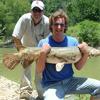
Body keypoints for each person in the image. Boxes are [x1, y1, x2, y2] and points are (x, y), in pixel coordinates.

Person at [35, 9, 100, 100]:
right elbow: (39, 70)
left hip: (70, 82)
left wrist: (85, 53)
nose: (58, 27)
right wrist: (42, 53)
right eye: (56, 24)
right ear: (51, 26)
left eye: (61, 25)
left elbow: (78, 67)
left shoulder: (73, 41)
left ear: (65, 26)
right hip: (51, 85)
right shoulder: (43, 43)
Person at [12, 0, 50, 99]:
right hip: (26, 48)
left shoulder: (47, 22)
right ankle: (25, 93)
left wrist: (42, 55)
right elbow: (16, 37)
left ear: (43, 12)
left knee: (40, 73)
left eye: (39, 10)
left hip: (40, 50)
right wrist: (22, 52)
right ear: (31, 11)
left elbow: (48, 42)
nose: (37, 13)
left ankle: (41, 95)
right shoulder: (24, 19)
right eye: (35, 10)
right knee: (25, 70)